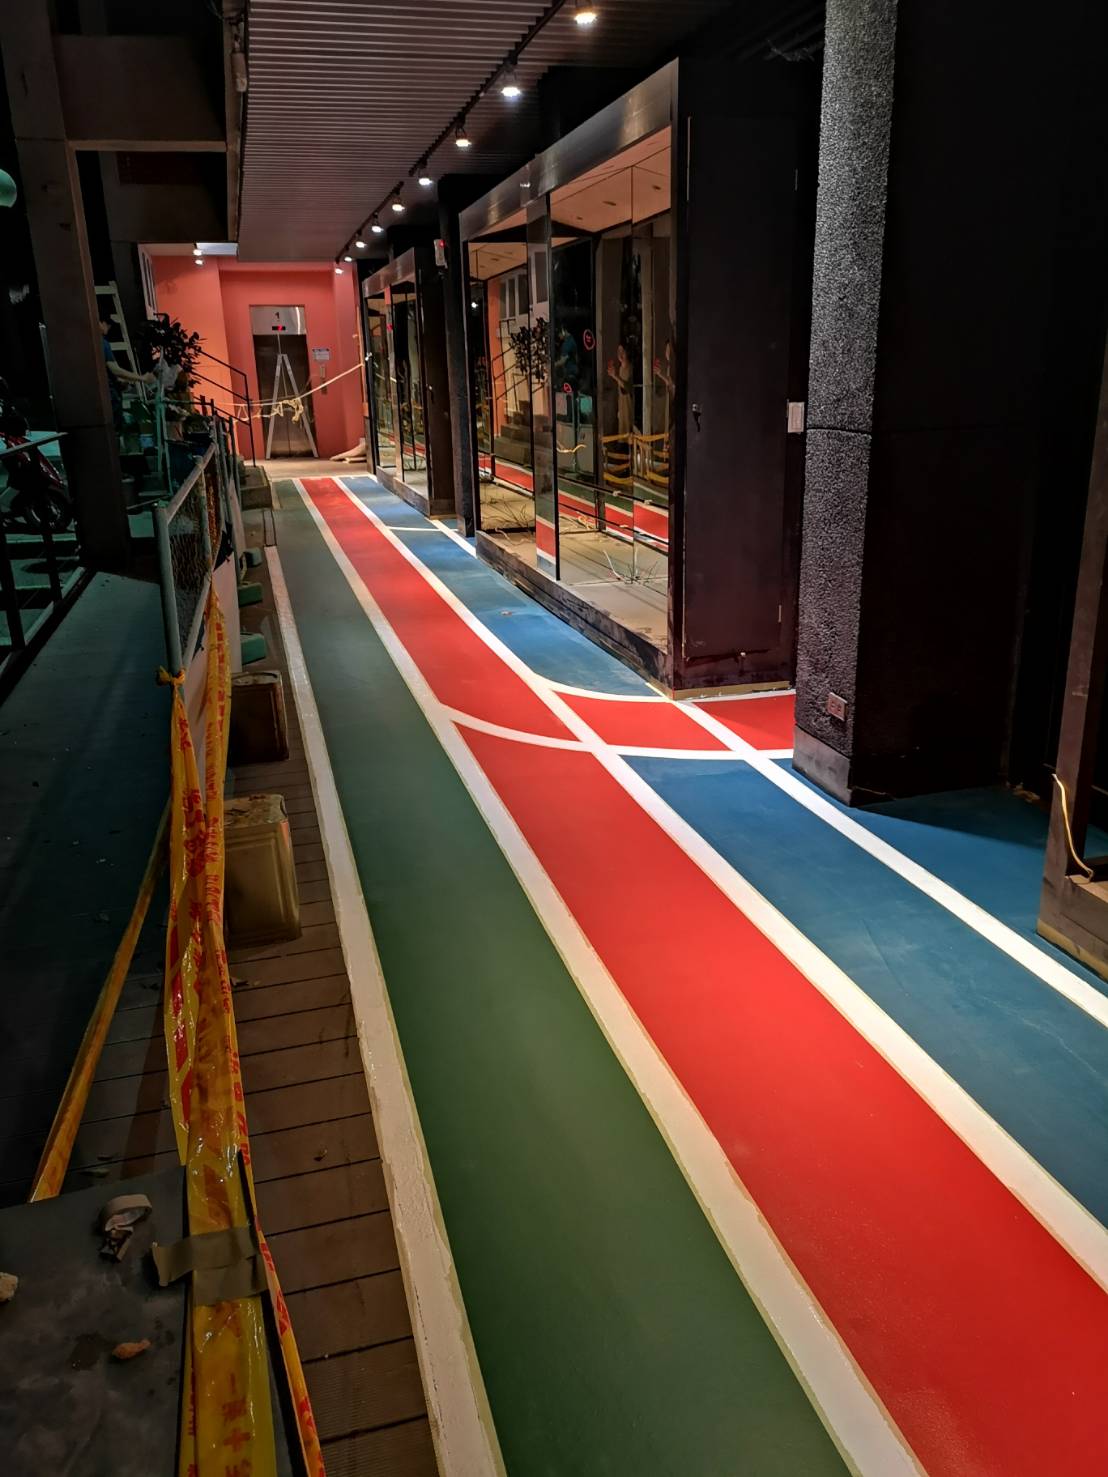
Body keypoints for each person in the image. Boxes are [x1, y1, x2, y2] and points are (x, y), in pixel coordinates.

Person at [99, 313, 153, 429]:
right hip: (109, 395)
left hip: (101, 394)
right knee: (114, 428)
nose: (109, 328)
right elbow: (115, 370)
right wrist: (142, 378)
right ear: (101, 322)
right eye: (107, 324)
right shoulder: (102, 343)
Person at [607, 342, 634, 437]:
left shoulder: (630, 368)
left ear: (627, 353)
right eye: (619, 351)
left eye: (623, 351)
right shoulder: (620, 368)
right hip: (621, 408)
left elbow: (627, 387)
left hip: (629, 408)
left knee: (628, 436)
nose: (620, 354)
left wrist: (615, 376)